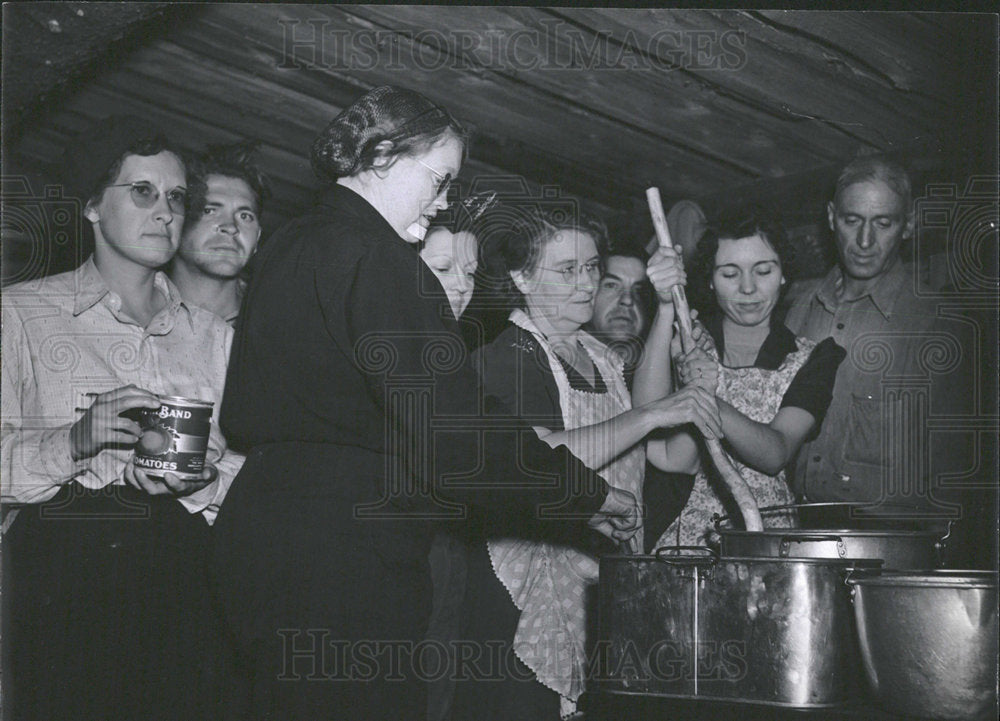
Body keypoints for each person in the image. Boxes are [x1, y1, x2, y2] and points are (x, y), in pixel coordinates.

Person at [208, 86, 641, 721]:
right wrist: (587, 495)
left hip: (258, 530)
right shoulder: (381, 259)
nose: (442, 203)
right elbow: (458, 437)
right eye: (440, 181)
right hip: (344, 552)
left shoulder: (288, 243)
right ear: (382, 156)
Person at [1, 116, 243, 720]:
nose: (165, 212)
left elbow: (262, 474)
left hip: (190, 588)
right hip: (65, 586)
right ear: (91, 205)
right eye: (142, 191)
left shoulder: (214, 337)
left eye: (176, 197)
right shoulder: (22, 314)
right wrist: (72, 441)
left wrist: (205, 482)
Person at [455, 207, 721, 719]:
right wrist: (653, 414)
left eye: (591, 267)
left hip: (598, 587)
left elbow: (669, 455)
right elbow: (533, 463)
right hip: (524, 593)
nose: (586, 284)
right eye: (566, 269)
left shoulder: (600, 357)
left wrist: (670, 318)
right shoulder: (508, 355)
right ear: (522, 277)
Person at [783, 155, 988, 565]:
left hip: (892, 549)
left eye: (883, 223)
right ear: (831, 217)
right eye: (852, 220)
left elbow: (956, 480)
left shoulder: (940, 324)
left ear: (907, 225)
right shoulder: (798, 309)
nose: (864, 240)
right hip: (796, 534)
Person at [642, 213, 846, 548]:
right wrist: (664, 310)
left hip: (765, 538)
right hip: (679, 539)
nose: (748, 288)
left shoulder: (814, 358)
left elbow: (775, 453)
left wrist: (705, 396)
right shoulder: (688, 338)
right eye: (729, 273)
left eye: (763, 271)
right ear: (710, 280)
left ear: (783, 274)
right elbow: (647, 423)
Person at [169, 141, 267, 323]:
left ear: (257, 238)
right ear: (177, 224)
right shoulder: (125, 306)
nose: (231, 227)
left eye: (245, 216)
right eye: (209, 211)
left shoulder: (275, 320)